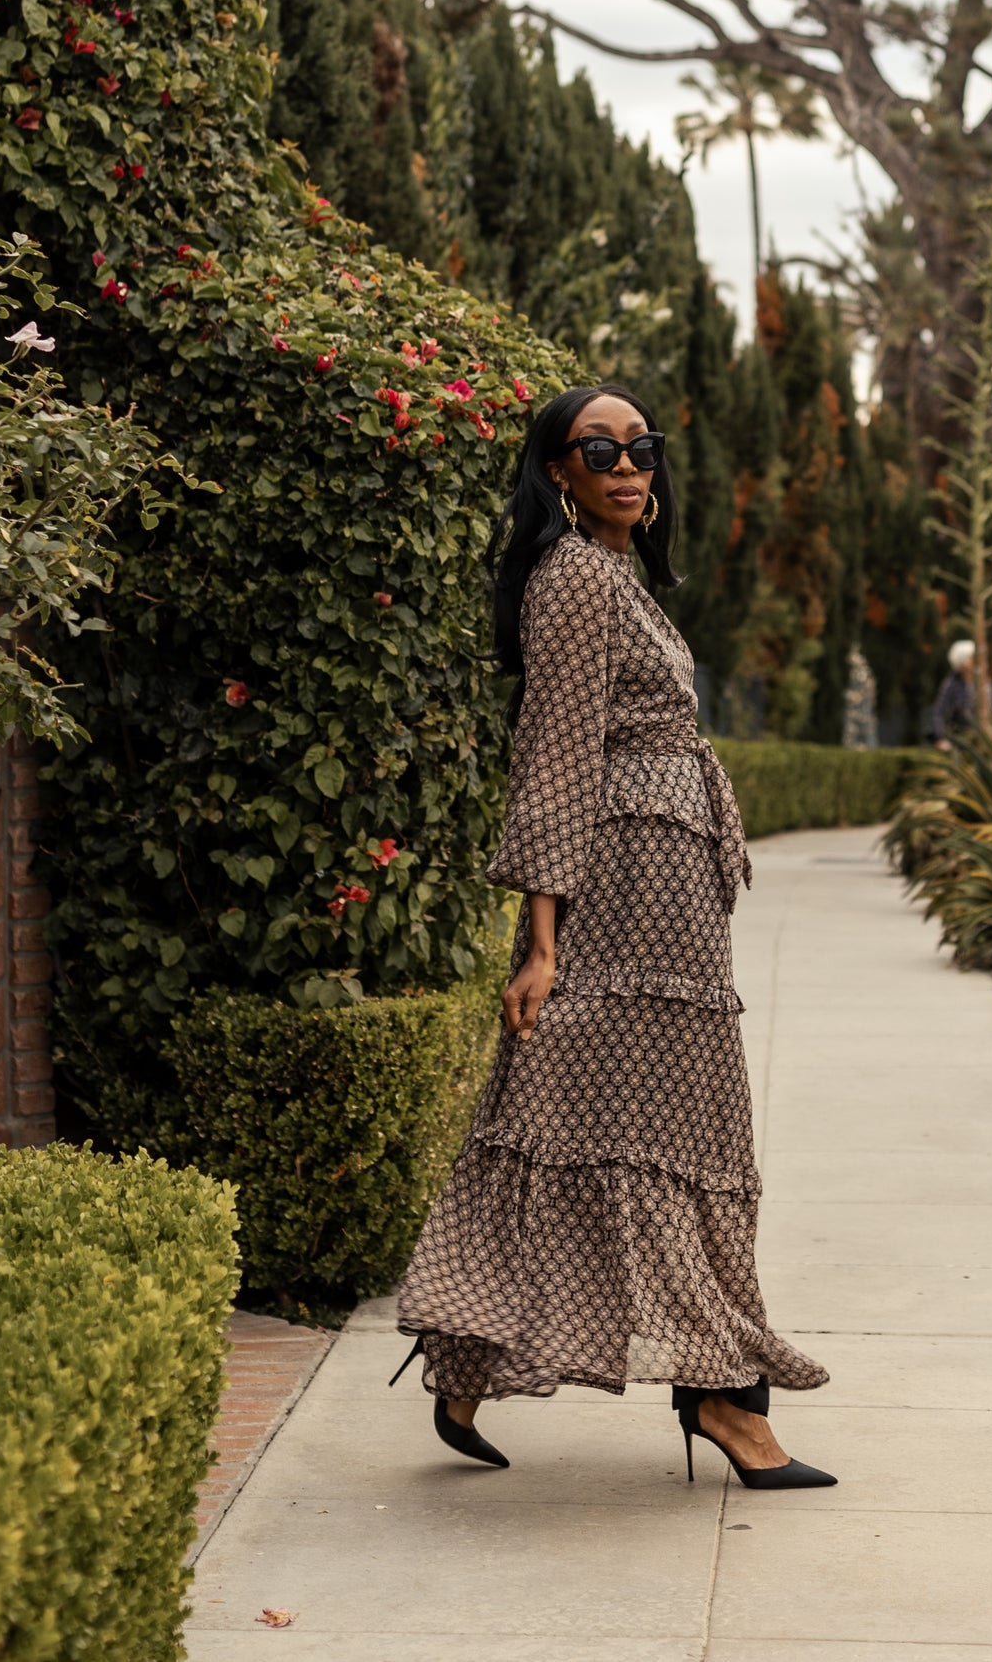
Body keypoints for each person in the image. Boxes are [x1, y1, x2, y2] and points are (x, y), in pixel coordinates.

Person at [390, 385, 835, 1491]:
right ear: (559, 472)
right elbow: (552, 756)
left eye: (641, 449)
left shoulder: (611, 571)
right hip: (619, 893)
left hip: (666, 894)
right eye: (601, 452)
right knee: (590, 1121)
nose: (628, 467)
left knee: (613, 1124)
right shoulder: (575, 579)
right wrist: (541, 946)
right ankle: (722, 1399)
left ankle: (475, 1364)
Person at [928, 639, 981, 748]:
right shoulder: (951, 685)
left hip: (981, 739)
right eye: (970, 657)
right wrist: (940, 739)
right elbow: (939, 713)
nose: (973, 661)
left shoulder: (983, 682)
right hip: (959, 740)